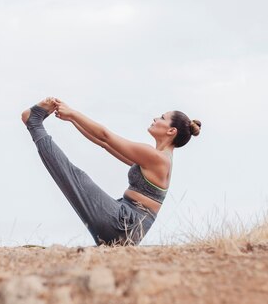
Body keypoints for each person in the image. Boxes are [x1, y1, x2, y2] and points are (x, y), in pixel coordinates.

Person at [21, 97, 201, 246]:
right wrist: (71, 119)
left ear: (171, 130)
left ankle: (34, 122)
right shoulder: (156, 159)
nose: (155, 118)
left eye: (162, 117)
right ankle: (34, 123)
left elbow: (105, 135)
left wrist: (73, 113)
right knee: (77, 178)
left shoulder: (157, 158)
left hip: (123, 223)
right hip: (125, 226)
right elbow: (104, 143)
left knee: (77, 177)